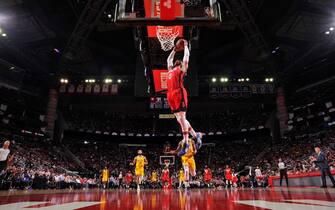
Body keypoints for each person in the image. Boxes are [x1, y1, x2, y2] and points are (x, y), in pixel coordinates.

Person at [166, 39, 202, 156]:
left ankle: (186, 144)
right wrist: (174, 50)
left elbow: (187, 57)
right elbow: (169, 59)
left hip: (179, 93)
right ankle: (196, 136)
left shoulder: (182, 69)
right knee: (179, 119)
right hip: (171, 94)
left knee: (182, 118)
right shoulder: (171, 70)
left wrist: (186, 46)